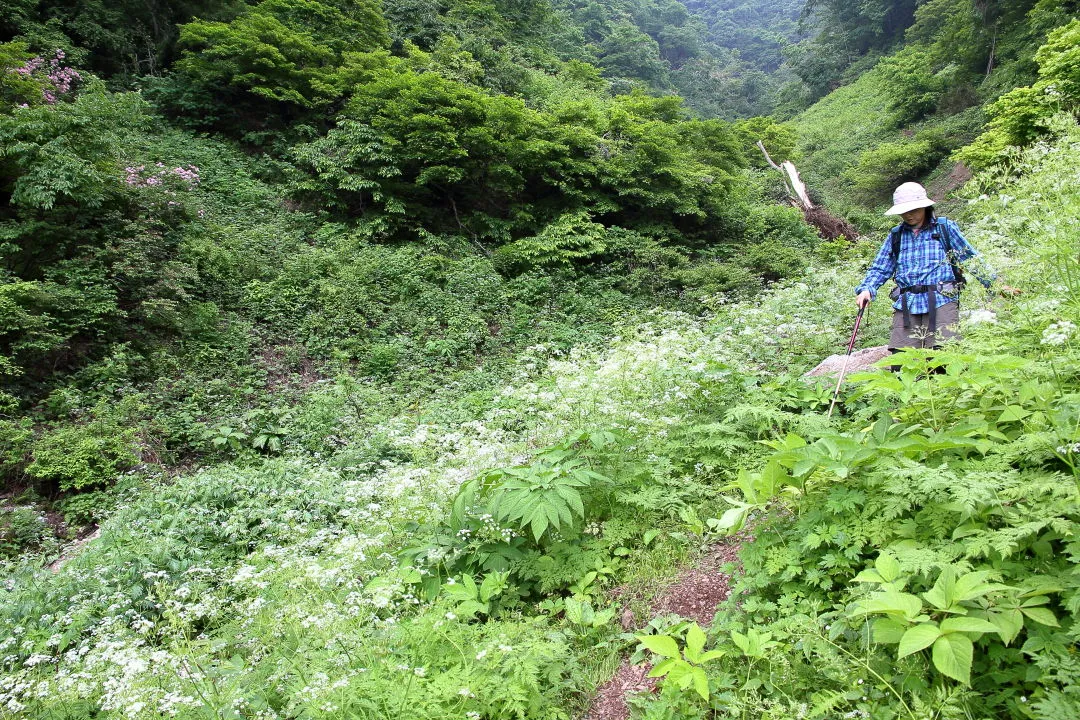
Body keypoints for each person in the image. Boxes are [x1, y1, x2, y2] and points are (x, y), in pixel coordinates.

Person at [855, 182, 1016, 352]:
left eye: (914, 210)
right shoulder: (896, 236)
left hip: (942, 299)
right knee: (901, 360)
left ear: (925, 207)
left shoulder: (944, 228)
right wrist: (867, 289)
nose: (908, 215)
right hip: (906, 303)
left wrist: (996, 284)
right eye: (904, 211)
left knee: (944, 356)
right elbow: (880, 268)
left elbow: (970, 258)